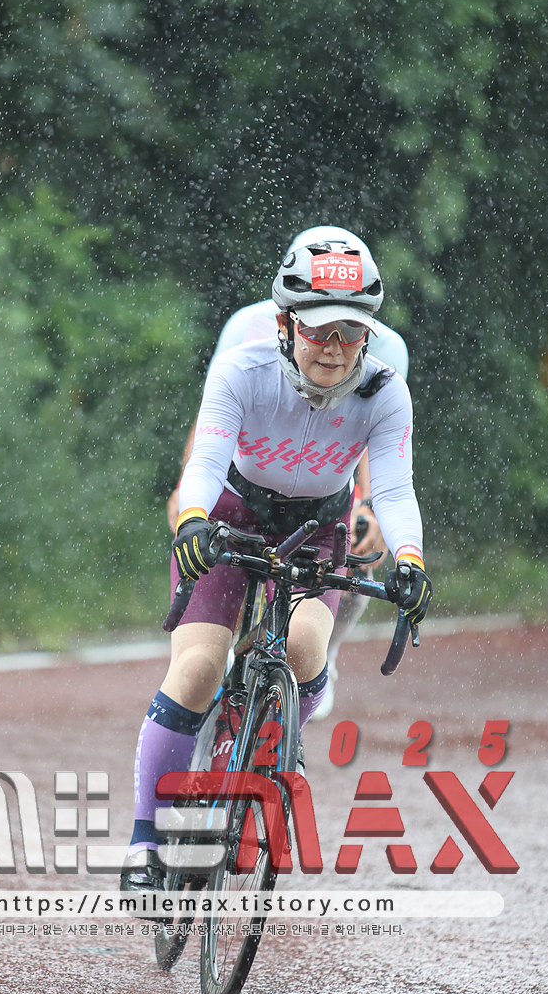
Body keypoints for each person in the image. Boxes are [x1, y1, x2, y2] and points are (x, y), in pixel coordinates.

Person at [121, 226, 432, 891]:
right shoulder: (244, 366)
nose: (335, 347)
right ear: (287, 323)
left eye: (352, 331)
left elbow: (394, 489)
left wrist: (410, 558)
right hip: (232, 514)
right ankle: (146, 844)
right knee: (198, 667)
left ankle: (277, 726)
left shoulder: (384, 388)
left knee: (305, 649)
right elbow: (205, 460)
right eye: (320, 330)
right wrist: (193, 519)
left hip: (319, 526)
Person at [164, 295, 410, 719]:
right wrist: (186, 490)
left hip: (325, 486)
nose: (333, 343)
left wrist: (368, 506)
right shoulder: (245, 325)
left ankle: (324, 653)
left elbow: (374, 437)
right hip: (247, 481)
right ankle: (226, 652)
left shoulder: (388, 350)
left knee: (360, 552)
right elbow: (214, 414)